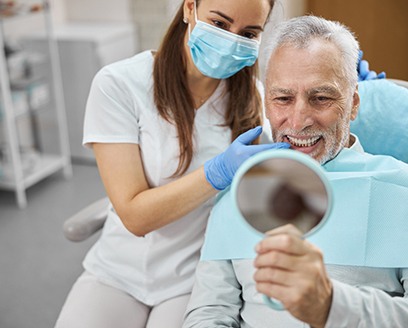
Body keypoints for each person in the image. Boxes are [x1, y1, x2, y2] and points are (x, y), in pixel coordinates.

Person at [54, 1, 290, 327]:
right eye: (220, 24)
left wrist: (353, 94)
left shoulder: (253, 98)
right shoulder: (120, 85)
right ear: (189, 9)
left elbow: (276, 184)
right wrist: (217, 172)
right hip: (117, 271)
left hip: (194, 277)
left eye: (248, 33)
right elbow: (135, 216)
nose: (232, 41)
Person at [183, 15, 408, 327]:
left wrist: (330, 306)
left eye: (321, 98)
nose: (299, 119)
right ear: (267, 104)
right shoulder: (237, 194)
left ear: (353, 103)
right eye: (283, 98)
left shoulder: (402, 191)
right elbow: (209, 313)